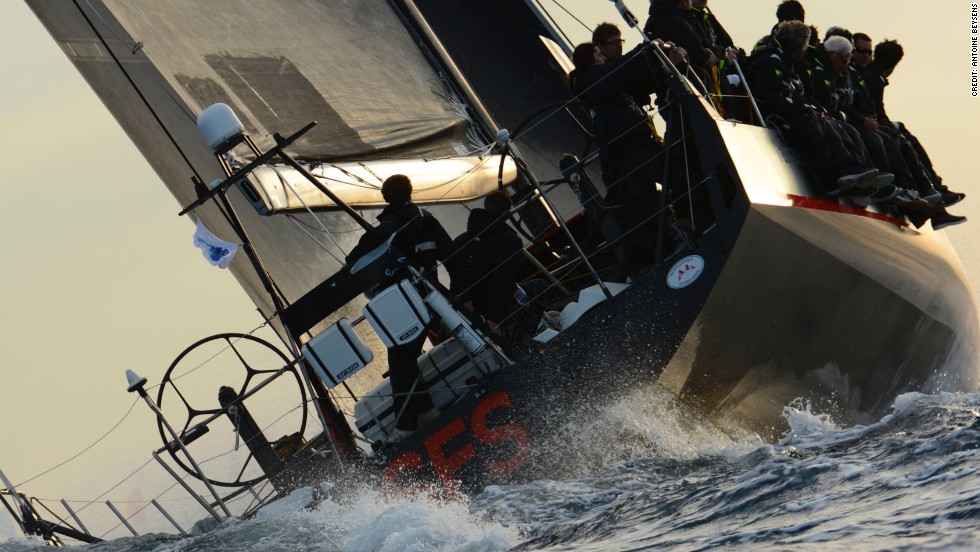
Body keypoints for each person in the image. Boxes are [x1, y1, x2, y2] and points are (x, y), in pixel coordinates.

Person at [345, 174, 452, 439]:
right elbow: (450, 252)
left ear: (385, 197)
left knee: (400, 360)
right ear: (410, 192)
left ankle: (405, 427)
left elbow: (354, 258)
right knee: (404, 358)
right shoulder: (426, 218)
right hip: (432, 299)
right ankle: (426, 411)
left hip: (404, 306)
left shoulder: (388, 226)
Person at [746, 21, 883, 197]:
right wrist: (800, 107)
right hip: (777, 115)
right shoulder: (770, 59)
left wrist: (811, 107)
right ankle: (830, 180)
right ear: (798, 45)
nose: (806, 51)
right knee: (811, 122)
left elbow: (799, 93)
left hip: (792, 110)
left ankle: (850, 169)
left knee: (831, 123)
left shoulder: (790, 62)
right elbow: (767, 96)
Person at [446, 191, 524, 334]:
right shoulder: (511, 242)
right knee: (539, 287)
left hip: (462, 309)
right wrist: (492, 318)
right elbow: (502, 280)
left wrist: (465, 299)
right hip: (488, 313)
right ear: (508, 214)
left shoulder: (459, 241)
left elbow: (455, 273)